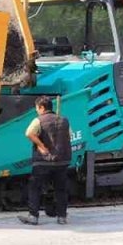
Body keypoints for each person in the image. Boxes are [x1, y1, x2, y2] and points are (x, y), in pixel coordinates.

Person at [19, 96, 73, 226]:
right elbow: (70, 136)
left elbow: (29, 133)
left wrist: (41, 146)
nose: (37, 110)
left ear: (42, 108)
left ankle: (33, 216)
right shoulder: (64, 120)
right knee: (61, 189)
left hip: (43, 161)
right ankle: (62, 217)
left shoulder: (38, 120)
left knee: (35, 187)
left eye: (37, 108)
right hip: (62, 161)